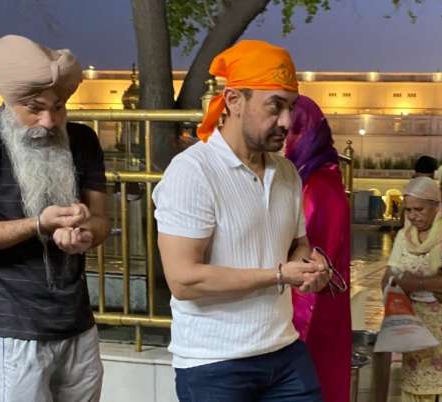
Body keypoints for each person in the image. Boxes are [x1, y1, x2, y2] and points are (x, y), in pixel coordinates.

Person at [153, 40, 330, 402]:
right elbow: (184, 279)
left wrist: (308, 268)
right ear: (233, 100)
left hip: (284, 349)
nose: (286, 122)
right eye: (274, 106)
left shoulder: (286, 173)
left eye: (291, 107)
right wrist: (280, 275)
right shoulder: (193, 172)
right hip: (214, 363)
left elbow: (298, 243)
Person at [0, 35, 109, 401]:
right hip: (8, 326)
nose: (49, 120)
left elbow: (101, 220)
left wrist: (85, 231)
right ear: (8, 100)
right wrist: (40, 223)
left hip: (76, 321)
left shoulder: (83, 140)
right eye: (34, 108)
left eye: (59, 106)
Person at [375, 176, 442, 402]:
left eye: (419, 209)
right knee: (416, 390)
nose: (413, 216)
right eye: (408, 211)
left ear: (436, 206)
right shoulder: (405, 238)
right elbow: (388, 277)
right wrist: (397, 287)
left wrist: (415, 282)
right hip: (417, 334)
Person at [285, 95, 351, 402]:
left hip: (309, 322)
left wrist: (290, 339)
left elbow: (307, 274)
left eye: (288, 132)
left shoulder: (314, 188)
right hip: (326, 314)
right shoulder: (324, 179)